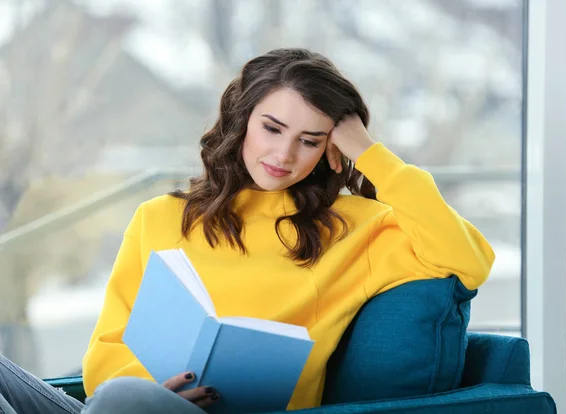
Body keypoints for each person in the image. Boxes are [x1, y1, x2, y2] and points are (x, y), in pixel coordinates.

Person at [0, 48, 495, 414]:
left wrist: (370, 153)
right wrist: (156, 389)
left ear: (332, 148)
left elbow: (468, 259)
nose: (283, 156)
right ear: (241, 119)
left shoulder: (358, 228)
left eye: (310, 140)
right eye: (272, 129)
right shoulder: (159, 217)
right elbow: (106, 350)